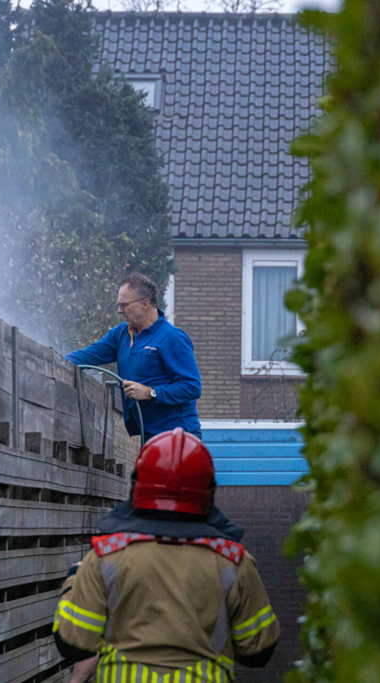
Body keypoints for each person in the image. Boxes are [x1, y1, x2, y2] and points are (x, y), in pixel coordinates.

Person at [53, 429, 280, 682]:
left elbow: (73, 642)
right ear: (208, 491)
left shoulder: (106, 557)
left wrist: (74, 579)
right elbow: (259, 651)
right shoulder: (233, 562)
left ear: (137, 485)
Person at [65, 272, 203, 440]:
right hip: (150, 437)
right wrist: (52, 357)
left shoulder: (172, 338)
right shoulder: (121, 334)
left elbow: (192, 387)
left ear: (145, 304)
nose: (119, 310)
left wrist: (150, 392)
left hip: (178, 437)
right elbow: (86, 357)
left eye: (124, 305)